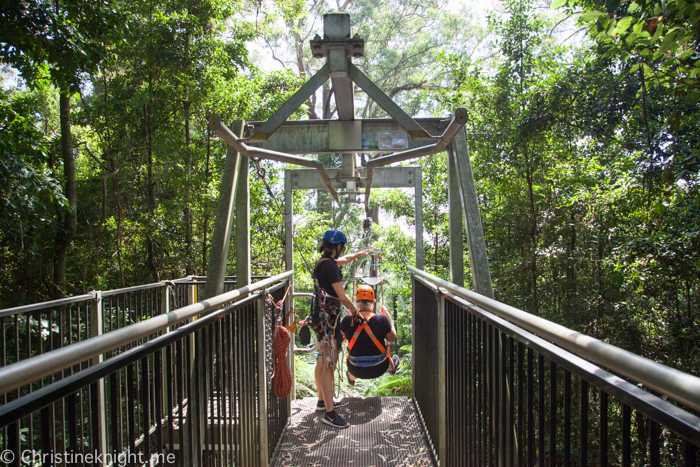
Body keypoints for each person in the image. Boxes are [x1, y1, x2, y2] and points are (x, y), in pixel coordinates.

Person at [312, 228, 367, 429]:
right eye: (342, 248)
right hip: (329, 320)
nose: (343, 252)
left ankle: (321, 401)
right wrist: (356, 313)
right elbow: (342, 297)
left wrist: (359, 254)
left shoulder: (323, 263)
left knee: (322, 359)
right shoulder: (331, 267)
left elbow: (342, 261)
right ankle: (329, 413)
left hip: (320, 317)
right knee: (329, 364)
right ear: (338, 247)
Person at [341, 285, 400, 385]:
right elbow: (392, 338)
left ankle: (351, 377)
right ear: (373, 302)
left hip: (355, 369)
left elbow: (342, 340)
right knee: (386, 351)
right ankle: (392, 368)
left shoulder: (348, 320)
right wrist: (388, 317)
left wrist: (348, 317)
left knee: (354, 361)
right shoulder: (382, 319)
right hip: (379, 368)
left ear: (356, 302)